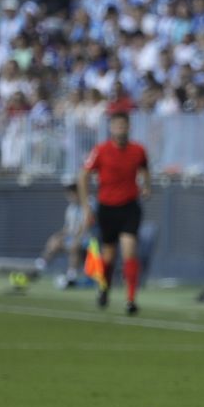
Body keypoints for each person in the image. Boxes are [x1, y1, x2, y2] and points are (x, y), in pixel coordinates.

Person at [78, 111, 150, 314]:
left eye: (123, 125)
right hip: (107, 207)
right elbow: (83, 175)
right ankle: (104, 288)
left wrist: (147, 186)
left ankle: (131, 299)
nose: (120, 129)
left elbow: (145, 169)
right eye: (117, 125)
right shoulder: (100, 151)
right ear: (111, 128)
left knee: (129, 248)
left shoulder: (138, 150)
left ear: (129, 127)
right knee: (108, 255)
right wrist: (86, 207)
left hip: (129, 206)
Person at [35, 183, 87, 287]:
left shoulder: (88, 206)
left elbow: (85, 226)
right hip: (73, 238)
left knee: (74, 245)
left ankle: (71, 276)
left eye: (71, 194)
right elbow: (67, 228)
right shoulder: (71, 209)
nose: (70, 197)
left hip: (87, 239)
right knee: (55, 241)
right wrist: (59, 235)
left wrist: (76, 238)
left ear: (78, 193)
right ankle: (40, 267)